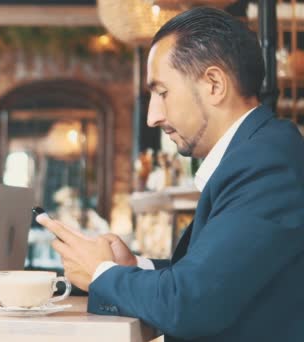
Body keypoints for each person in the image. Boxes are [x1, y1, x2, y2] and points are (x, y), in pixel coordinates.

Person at [36, 7, 304, 342]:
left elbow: (193, 304)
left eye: (162, 92)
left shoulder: (266, 163)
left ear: (214, 84)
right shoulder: (258, 153)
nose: (153, 116)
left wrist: (102, 273)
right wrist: (134, 266)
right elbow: (215, 279)